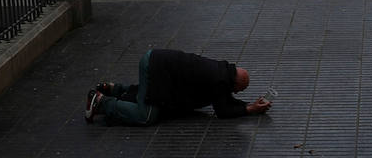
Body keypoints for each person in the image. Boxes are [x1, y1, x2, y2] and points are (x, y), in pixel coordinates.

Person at [84, 48, 272, 125]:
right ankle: (101, 102)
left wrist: (249, 105)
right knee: (146, 115)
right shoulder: (219, 80)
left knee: (149, 95)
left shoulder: (223, 73)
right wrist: (250, 109)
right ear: (235, 83)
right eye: (240, 89)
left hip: (157, 64)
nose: (238, 92)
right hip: (154, 66)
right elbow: (222, 110)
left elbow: (225, 100)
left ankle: (115, 89)